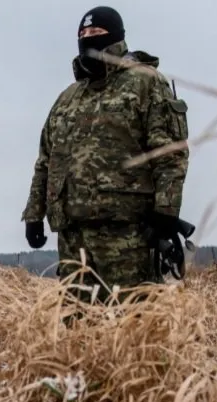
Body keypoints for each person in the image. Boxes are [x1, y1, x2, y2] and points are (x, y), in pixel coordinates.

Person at [21, 6, 190, 305]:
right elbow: (45, 161)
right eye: (83, 34)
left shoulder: (145, 82)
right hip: (73, 237)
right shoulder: (68, 98)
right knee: (76, 323)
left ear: (116, 37)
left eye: (96, 33)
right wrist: (34, 215)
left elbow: (170, 154)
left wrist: (166, 212)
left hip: (127, 235)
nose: (88, 39)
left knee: (129, 324)